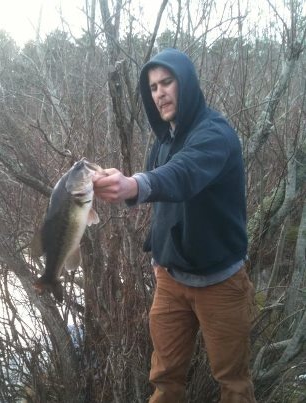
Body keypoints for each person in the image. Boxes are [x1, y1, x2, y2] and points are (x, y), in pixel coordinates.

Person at [93, 48, 257, 403]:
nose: (159, 93)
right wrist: (157, 253)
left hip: (222, 284)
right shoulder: (163, 141)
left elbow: (182, 176)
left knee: (233, 383)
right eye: (152, 87)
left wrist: (133, 185)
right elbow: (165, 205)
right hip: (170, 282)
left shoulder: (216, 135)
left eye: (167, 82)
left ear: (187, 83)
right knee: (165, 380)